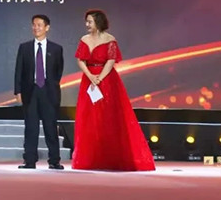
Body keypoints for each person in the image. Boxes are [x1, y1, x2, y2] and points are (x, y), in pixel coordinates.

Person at [72, 9, 155, 171]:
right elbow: (80, 60)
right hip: (89, 80)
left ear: (98, 22)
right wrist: (91, 76)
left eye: (90, 21)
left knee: (109, 117)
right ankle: (90, 159)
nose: (87, 24)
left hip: (107, 80)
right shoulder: (84, 39)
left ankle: (112, 157)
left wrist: (99, 78)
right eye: (86, 21)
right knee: (89, 117)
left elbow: (111, 61)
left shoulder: (110, 40)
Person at [14, 14, 64, 170]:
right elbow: (19, 71)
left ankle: (54, 161)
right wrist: (18, 91)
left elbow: (58, 71)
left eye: (39, 25)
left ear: (47, 27)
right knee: (31, 127)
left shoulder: (56, 48)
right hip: (30, 92)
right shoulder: (25, 47)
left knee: (51, 127)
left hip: (49, 92)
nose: (36, 28)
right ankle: (29, 161)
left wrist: (51, 86)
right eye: (34, 25)